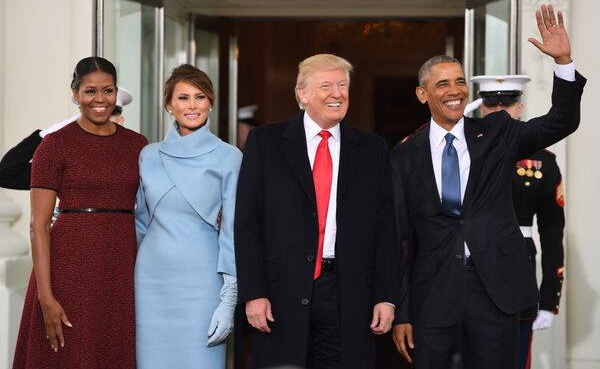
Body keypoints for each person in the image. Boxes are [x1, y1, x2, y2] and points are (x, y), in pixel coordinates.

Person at [390, 4, 585, 369]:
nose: (455, 91)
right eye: (442, 84)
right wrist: (402, 310)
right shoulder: (402, 155)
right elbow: (400, 238)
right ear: (422, 94)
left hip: (496, 290)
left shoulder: (497, 132)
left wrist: (563, 62)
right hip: (432, 295)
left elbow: (561, 121)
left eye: (460, 81)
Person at [234, 53, 400, 369]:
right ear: (302, 94)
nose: (336, 94)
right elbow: (247, 223)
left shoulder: (372, 148)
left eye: (342, 85)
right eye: (326, 86)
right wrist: (253, 293)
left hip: (348, 293)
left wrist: (386, 296)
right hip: (279, 294)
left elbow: (386, 227)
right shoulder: (265, 142)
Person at [12, 57, 147, 368]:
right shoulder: (54, 145)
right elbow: (39, 225)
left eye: (108, 90)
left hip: (120, 267)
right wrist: (46, 298)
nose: (100, 100)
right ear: (75, 94)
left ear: (116, 93)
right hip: (68, 268)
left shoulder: (137, 144)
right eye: (90, 91)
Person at [134, 64, 242, 368]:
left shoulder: (229, 156)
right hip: (150, 282)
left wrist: (229, 299)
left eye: (200, 97)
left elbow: (232, 232)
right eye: (183, 98)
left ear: (210, 102)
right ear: (169, 104)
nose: (192, 105)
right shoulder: (148, 154)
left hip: (203, 282)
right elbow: (139, 223)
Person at [465, 74, 565, 369]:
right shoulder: (462, 149)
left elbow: (551, 228)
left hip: (516, 269)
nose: (498, 110)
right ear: (481, 107)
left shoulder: (542, 160)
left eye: (507, 103)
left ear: (520, 107)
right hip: (468, 269)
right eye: (490, 103)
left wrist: (549, 298)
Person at [0, 88, 133, 191]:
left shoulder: (135, 155)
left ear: (120, 121)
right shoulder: (69, 163)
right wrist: (47, 134)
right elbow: (6, 175)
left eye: (108, 114)